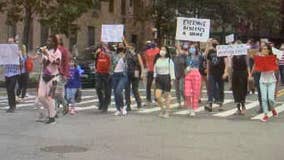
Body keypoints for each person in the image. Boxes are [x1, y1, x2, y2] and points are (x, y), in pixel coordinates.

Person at [37, 35, 62, 124]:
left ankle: (52, 118)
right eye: (47, 40)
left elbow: (57, 63)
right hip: (44, 77)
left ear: (54, 43)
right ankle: (52, 112)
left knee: (50, 97)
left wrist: (48, 55)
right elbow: (42, 63)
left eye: (49, 41)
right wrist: (40, 55)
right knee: (41, 97)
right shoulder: (45, 51)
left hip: (53, 78)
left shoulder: (57, 52)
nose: (47, 42)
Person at [253, 43, 278, 122]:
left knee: (270, 99)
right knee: (264, 99)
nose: (265, 50)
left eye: (267, 49)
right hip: (262, 81)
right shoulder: (260, 58)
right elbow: (256, 68)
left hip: (271, 81)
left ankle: (273, 108)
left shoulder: (273, 58)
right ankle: (266, 114)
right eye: (263, 49)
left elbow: (276, 68)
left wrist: (275, 63)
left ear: (269, 50)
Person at [205, 39, 228, 112]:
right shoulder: (210, 51)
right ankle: (210, 104)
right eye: (213, 42)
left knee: (221, 88)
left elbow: (226, 62)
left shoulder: (222, 50)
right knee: (211, 88)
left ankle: (220, 105)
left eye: (215, 42)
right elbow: (208, 62)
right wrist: (208, 73)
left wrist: (225, 72)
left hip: (220, 73)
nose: (214, 43)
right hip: (212, 73)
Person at [154, 46, 175, 118]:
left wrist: (172, 80)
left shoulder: (169, 60)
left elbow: (172, 70)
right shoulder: (157, 59)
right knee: (157, 96)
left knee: (166, 96)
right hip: (159, 78)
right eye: (161, 49)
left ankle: (167, 112)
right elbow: (155, 69)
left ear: (166, 52)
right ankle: (162, 109)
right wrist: (154, 78)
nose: (162, 51)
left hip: (167, 78)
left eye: (164, 50)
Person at [231, 40, 251, 115]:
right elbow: (231, 65)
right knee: (235, 89)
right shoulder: (233, 54)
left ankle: (243, 106)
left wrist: (249, 74)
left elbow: (248, 65)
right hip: (235, 73)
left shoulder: (245, 55)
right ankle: (238, 107)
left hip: (243, 72)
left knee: (242, 89)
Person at [2, 38, 21, 113]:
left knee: (11, 89)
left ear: (14, 43)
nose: (10, 44)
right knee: (8, 90)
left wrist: (19, 56)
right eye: (8, 42)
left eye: (11, 42)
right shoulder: (5, 52)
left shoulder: (17, 51)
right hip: (7, 73)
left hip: (14, 73)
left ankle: (13, 106)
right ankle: (11, 106)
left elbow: (22, 60)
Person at [184, 43, 202, 116]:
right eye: (190, 47)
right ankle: (189, 107)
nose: (192, 49)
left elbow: (206, 53)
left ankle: (193, 109)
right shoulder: (187, 57)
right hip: (188, 74)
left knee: (195, 92)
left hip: (196, 74)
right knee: (187, 92)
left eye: (193, 47)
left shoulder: (199, 56)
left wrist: (208, 44)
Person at [124, 43, 144, 111]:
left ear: (134, 48)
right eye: (129, 48)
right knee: (127, 89)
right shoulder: (126, 55)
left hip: (136, 72)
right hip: (127, 72)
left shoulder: (137, 54)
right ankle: (128, 105)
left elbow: (141, 64)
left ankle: (139, 103)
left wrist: (142, 73)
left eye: (131, 48)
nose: (130, 49)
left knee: (135, 89)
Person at [55, 35, 70, 115]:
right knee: (53, 93)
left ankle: (64, 104)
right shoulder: (51, 49)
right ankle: (55, 111)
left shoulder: (63, 50)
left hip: (60, 74)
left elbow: (66, 63)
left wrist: (65, 74)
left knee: (58, 93)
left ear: (60, 41)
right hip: (51, 74)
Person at [94, 43, 112, 113]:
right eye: (103, 44)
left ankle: (105, 105)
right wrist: (96, 53)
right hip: (99, 72)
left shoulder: (110, 52)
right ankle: (101, 102)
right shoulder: (99, 51)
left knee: (107, 90)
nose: (104, 45)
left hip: (107, 73)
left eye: (105, 44)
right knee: (98, 87)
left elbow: (112, 59)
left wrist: (108, 53)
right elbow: (95, 58)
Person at [112, 42, 128, 116]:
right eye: (119, 45)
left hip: (123, 75)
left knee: (119, 91)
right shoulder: (114, 55)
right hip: (115, 74)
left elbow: (130, 50)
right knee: (115, 93)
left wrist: (124, 40)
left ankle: (122, 107)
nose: (120, 47)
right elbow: (107, 52)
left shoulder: (127, 54)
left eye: (122, 45)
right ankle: (118, 109)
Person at [173, 42, 187, 108]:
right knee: (177, 89)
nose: (178, 51)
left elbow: (185, 63)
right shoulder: (174, 57)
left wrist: (178, 46)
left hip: (182, 75)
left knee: (181, 89)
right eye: (177, 50)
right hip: (175, 75)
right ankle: (179, 102)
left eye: (179, 49)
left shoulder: (183, 56)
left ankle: (185, 99)